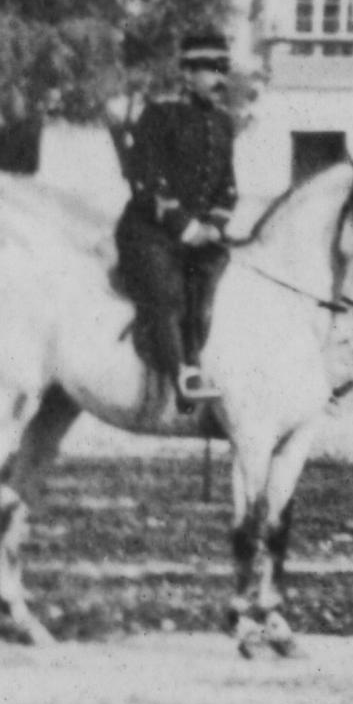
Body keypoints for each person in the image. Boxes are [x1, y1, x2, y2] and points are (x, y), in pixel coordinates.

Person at [111, 31, 244, 428]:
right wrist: (187, 228)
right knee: (167, 295)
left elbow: (228, 188)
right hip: (148, 233)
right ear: (187, 73)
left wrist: (215, 226)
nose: (220, 79)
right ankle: (184, 382)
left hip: (200, 236)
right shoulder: (159, 115)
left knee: (221, 287)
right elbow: (146, 181)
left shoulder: (222, 123)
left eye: (224, 69)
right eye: (210, 70)